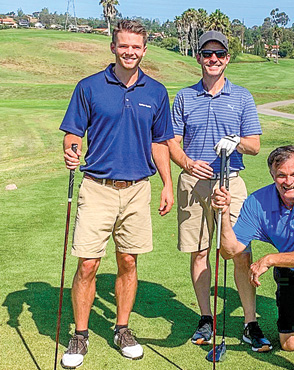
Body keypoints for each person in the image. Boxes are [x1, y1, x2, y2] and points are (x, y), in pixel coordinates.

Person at [59, 20, 174, 368]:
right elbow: (72, 132)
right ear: (113, 47)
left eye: (136, 47)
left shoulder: (156, 92)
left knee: (128, 261)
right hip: (97, 187)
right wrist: (70, 149)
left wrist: (167, 183)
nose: (130, 52)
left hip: (138, 189)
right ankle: (80, 335)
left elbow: (159, 143)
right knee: (89, 263)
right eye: (124, 46)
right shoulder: (89, 87)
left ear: (144, 50)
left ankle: (122, 328)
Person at [168, 30, 271, 351]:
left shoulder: (242, 97)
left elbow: (254, 145)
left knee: (240, 252)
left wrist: (234, 141)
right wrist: (186, 163)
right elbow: (170, 140)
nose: (213, 60)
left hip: (232, 181)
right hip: (193, 183)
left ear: (227, 59)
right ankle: (205, 318)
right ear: (198, 57)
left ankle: (250, 322)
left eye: (220, 55)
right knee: (200, 252)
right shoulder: (184, 96)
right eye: (207, 54)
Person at [212, 146, 294, 370]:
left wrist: (270, 259)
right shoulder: (257, 201)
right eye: (281, 175)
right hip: (288, 266)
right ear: (272, 176)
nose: (288, 181)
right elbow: (229, 251)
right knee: (289, 344)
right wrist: (224, 215)